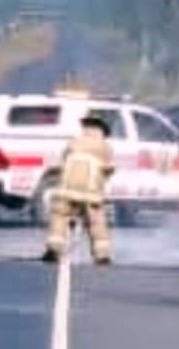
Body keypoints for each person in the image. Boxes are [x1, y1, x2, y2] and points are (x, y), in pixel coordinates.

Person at [42, 113, 115, 265]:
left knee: (60, 217)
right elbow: (109, 169)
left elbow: (62, 163)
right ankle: (102, 255)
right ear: (102, 129)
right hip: (91, 192)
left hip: (67, 189)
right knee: (96, 223)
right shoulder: (105, 146)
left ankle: (53, 250)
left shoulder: (73, 142)